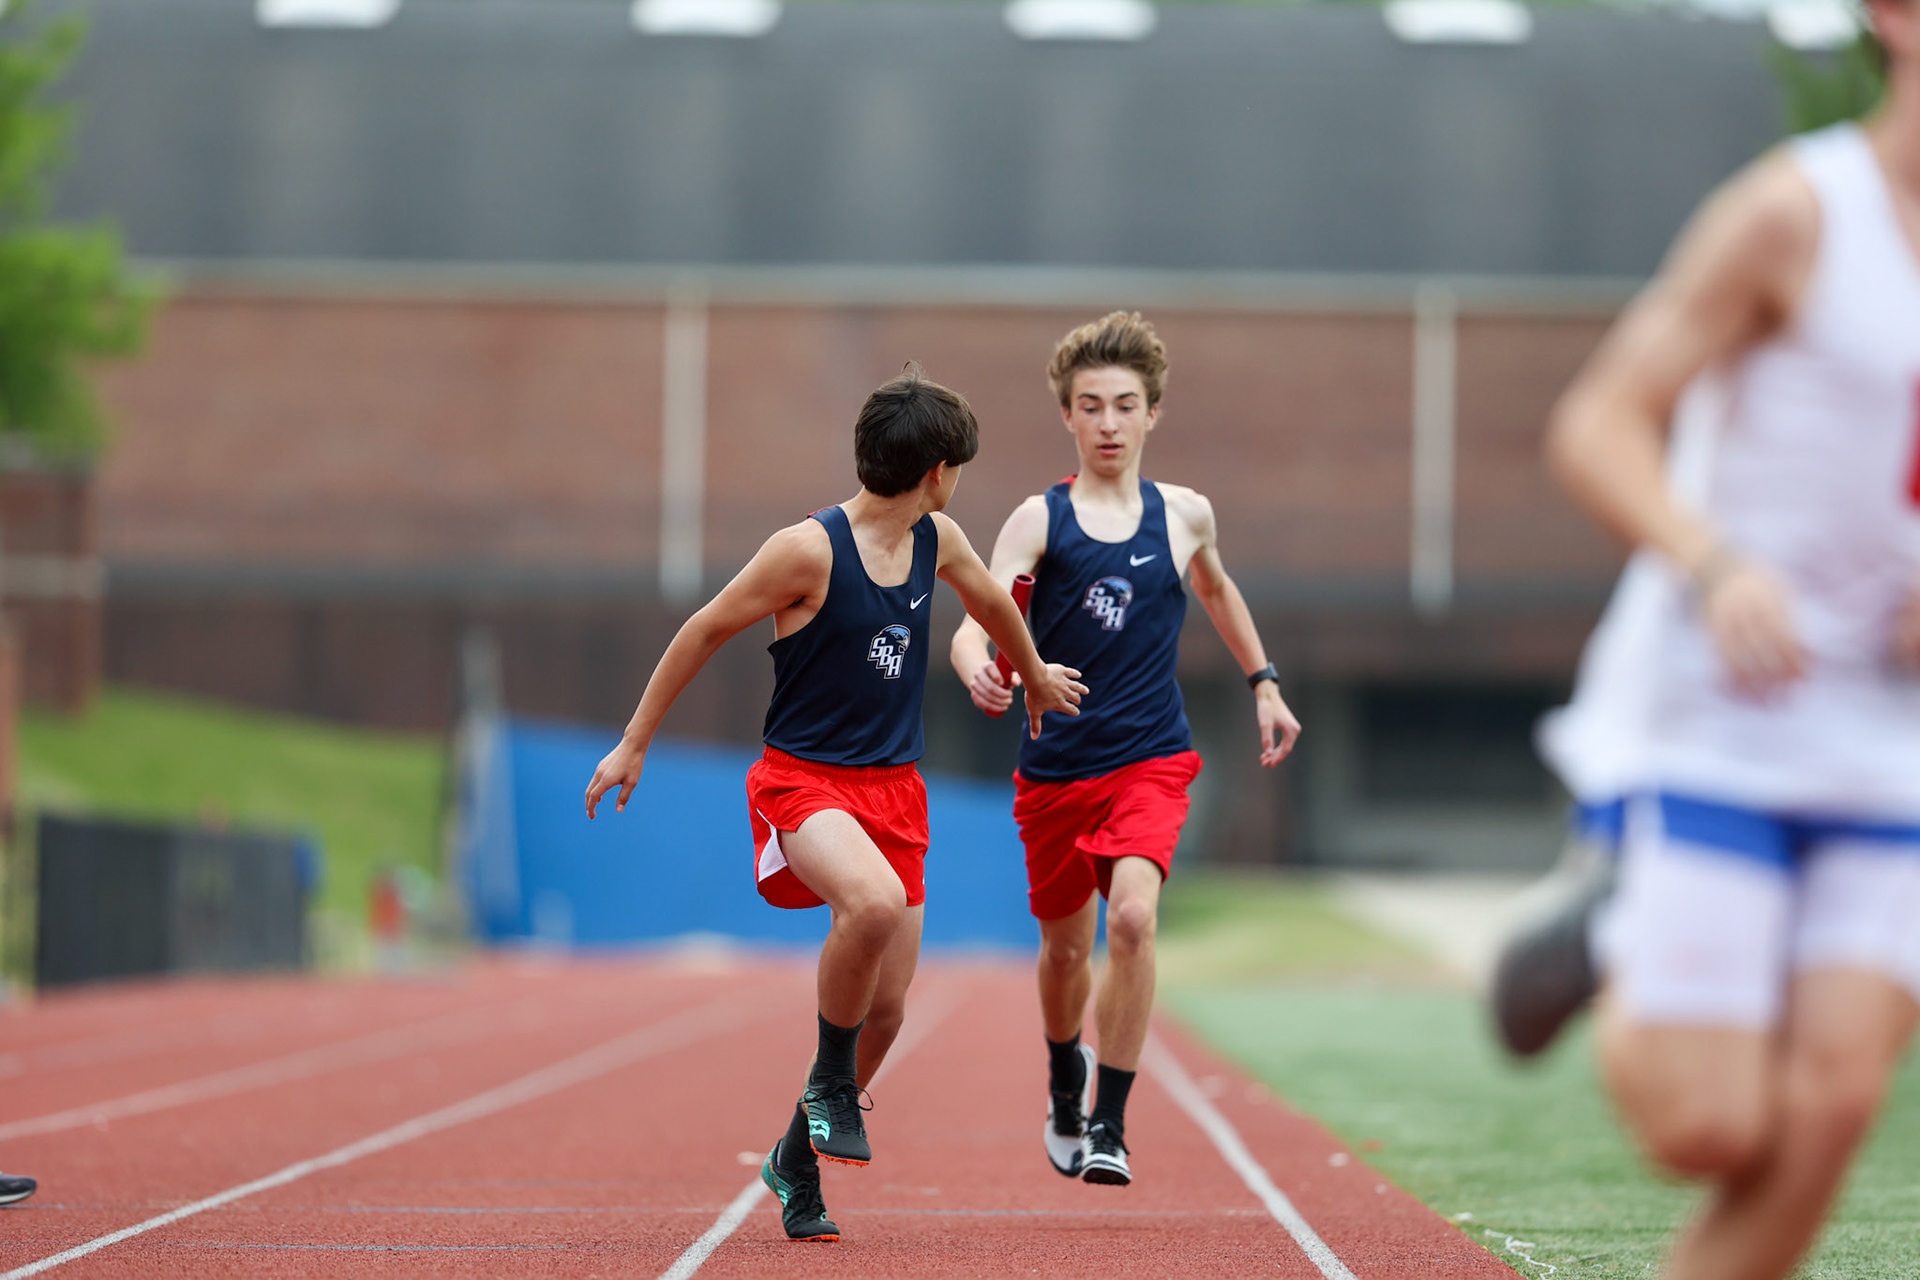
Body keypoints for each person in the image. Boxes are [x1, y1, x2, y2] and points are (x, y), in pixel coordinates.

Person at [1492, 7, 1920, 1274]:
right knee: (1710, 1123)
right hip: (1722, 713)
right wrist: (1713, 559)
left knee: (1833, 1103)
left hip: (1893, 734)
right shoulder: (1798, 213)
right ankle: (1604, 917)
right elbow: (1602, 420)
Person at [585, 369, 1085, 1243]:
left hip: (895, 791)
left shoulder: (939, 538)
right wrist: (634, 741)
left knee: (887, 1012)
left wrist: (1034, 674)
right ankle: (827, 1084)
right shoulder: (807, 551)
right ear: (936, 467)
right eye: (957, 464)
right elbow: (703, 626)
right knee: (872, 904)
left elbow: (993, 604)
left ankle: (795, 1159)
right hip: (803, 783)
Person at [948, 312, 1301, 1187]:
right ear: (1068, 416)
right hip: (1056, 772)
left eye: (1126, 405)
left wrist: (1264, 682)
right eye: (1092, 405)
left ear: (1153, 415)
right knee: (1067, 952)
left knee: (1135, 921)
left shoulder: (1185, 516)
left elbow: (1217, 591)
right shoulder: (1041, 521)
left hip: (1150, 759)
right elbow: (975, 623)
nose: (1109, 422)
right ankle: (1065, 1071)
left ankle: (1109, 1120)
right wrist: (982, 672)